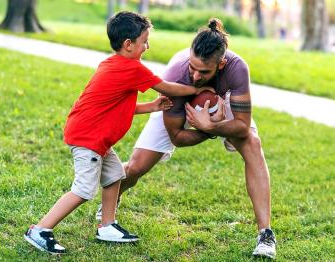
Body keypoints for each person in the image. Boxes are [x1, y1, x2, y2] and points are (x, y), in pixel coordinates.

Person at [24, 11, 205, 255]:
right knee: (83, 190)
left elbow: (116, 106)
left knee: (114, 176)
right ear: (129, 44)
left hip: (95, 136)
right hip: (89, 138)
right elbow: (166, 87)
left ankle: (107, 226)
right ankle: (41, 229)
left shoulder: (112, 64)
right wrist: (198, 88)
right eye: (144, 42)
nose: (148, 46)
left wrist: (151, 106)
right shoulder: (131, 68)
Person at [97, 18, 277, 259]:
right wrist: (207, 129)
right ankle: (113, 197)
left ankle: (265, 234)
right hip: (179, 100)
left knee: (253, 143)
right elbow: (177, 137)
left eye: (203, 71)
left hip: (218, 106)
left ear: (220, 65)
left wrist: (212, 124)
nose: (195, 75)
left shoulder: (236, 68)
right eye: (192, 66)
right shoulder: (178, 74)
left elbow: (243, 126)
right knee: (138, 165)